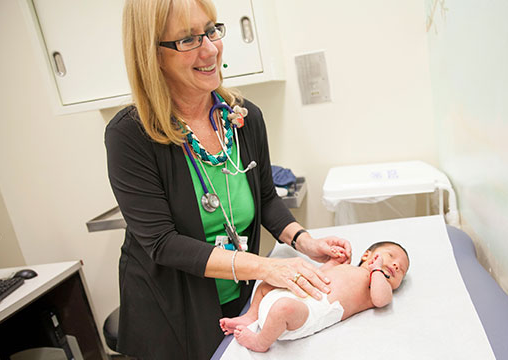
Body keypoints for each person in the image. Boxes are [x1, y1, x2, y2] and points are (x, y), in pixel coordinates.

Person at [105, 0, 352, 358]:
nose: (210, 49)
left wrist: (305, 242)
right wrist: (268, 266)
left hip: (238, 295)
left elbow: (266, 197)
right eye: (188, 39)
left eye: (211, 30)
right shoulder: (131, 135)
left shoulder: (244, 118)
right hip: (170, 309)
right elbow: (162, 243)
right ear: (153, 54)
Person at [220, 241, 410, 352]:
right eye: (391, 256)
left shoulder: (374, 285)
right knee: (266, 282)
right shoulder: (347, 268)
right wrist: (335, 260)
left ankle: (260, 341)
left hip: (305, 313)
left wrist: (377, 271)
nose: (395, 265)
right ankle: (250, 316)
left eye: (401, 270)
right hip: (295, 291)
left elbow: (381, 299)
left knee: (284, 308)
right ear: (367, 255)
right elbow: (319, 273)